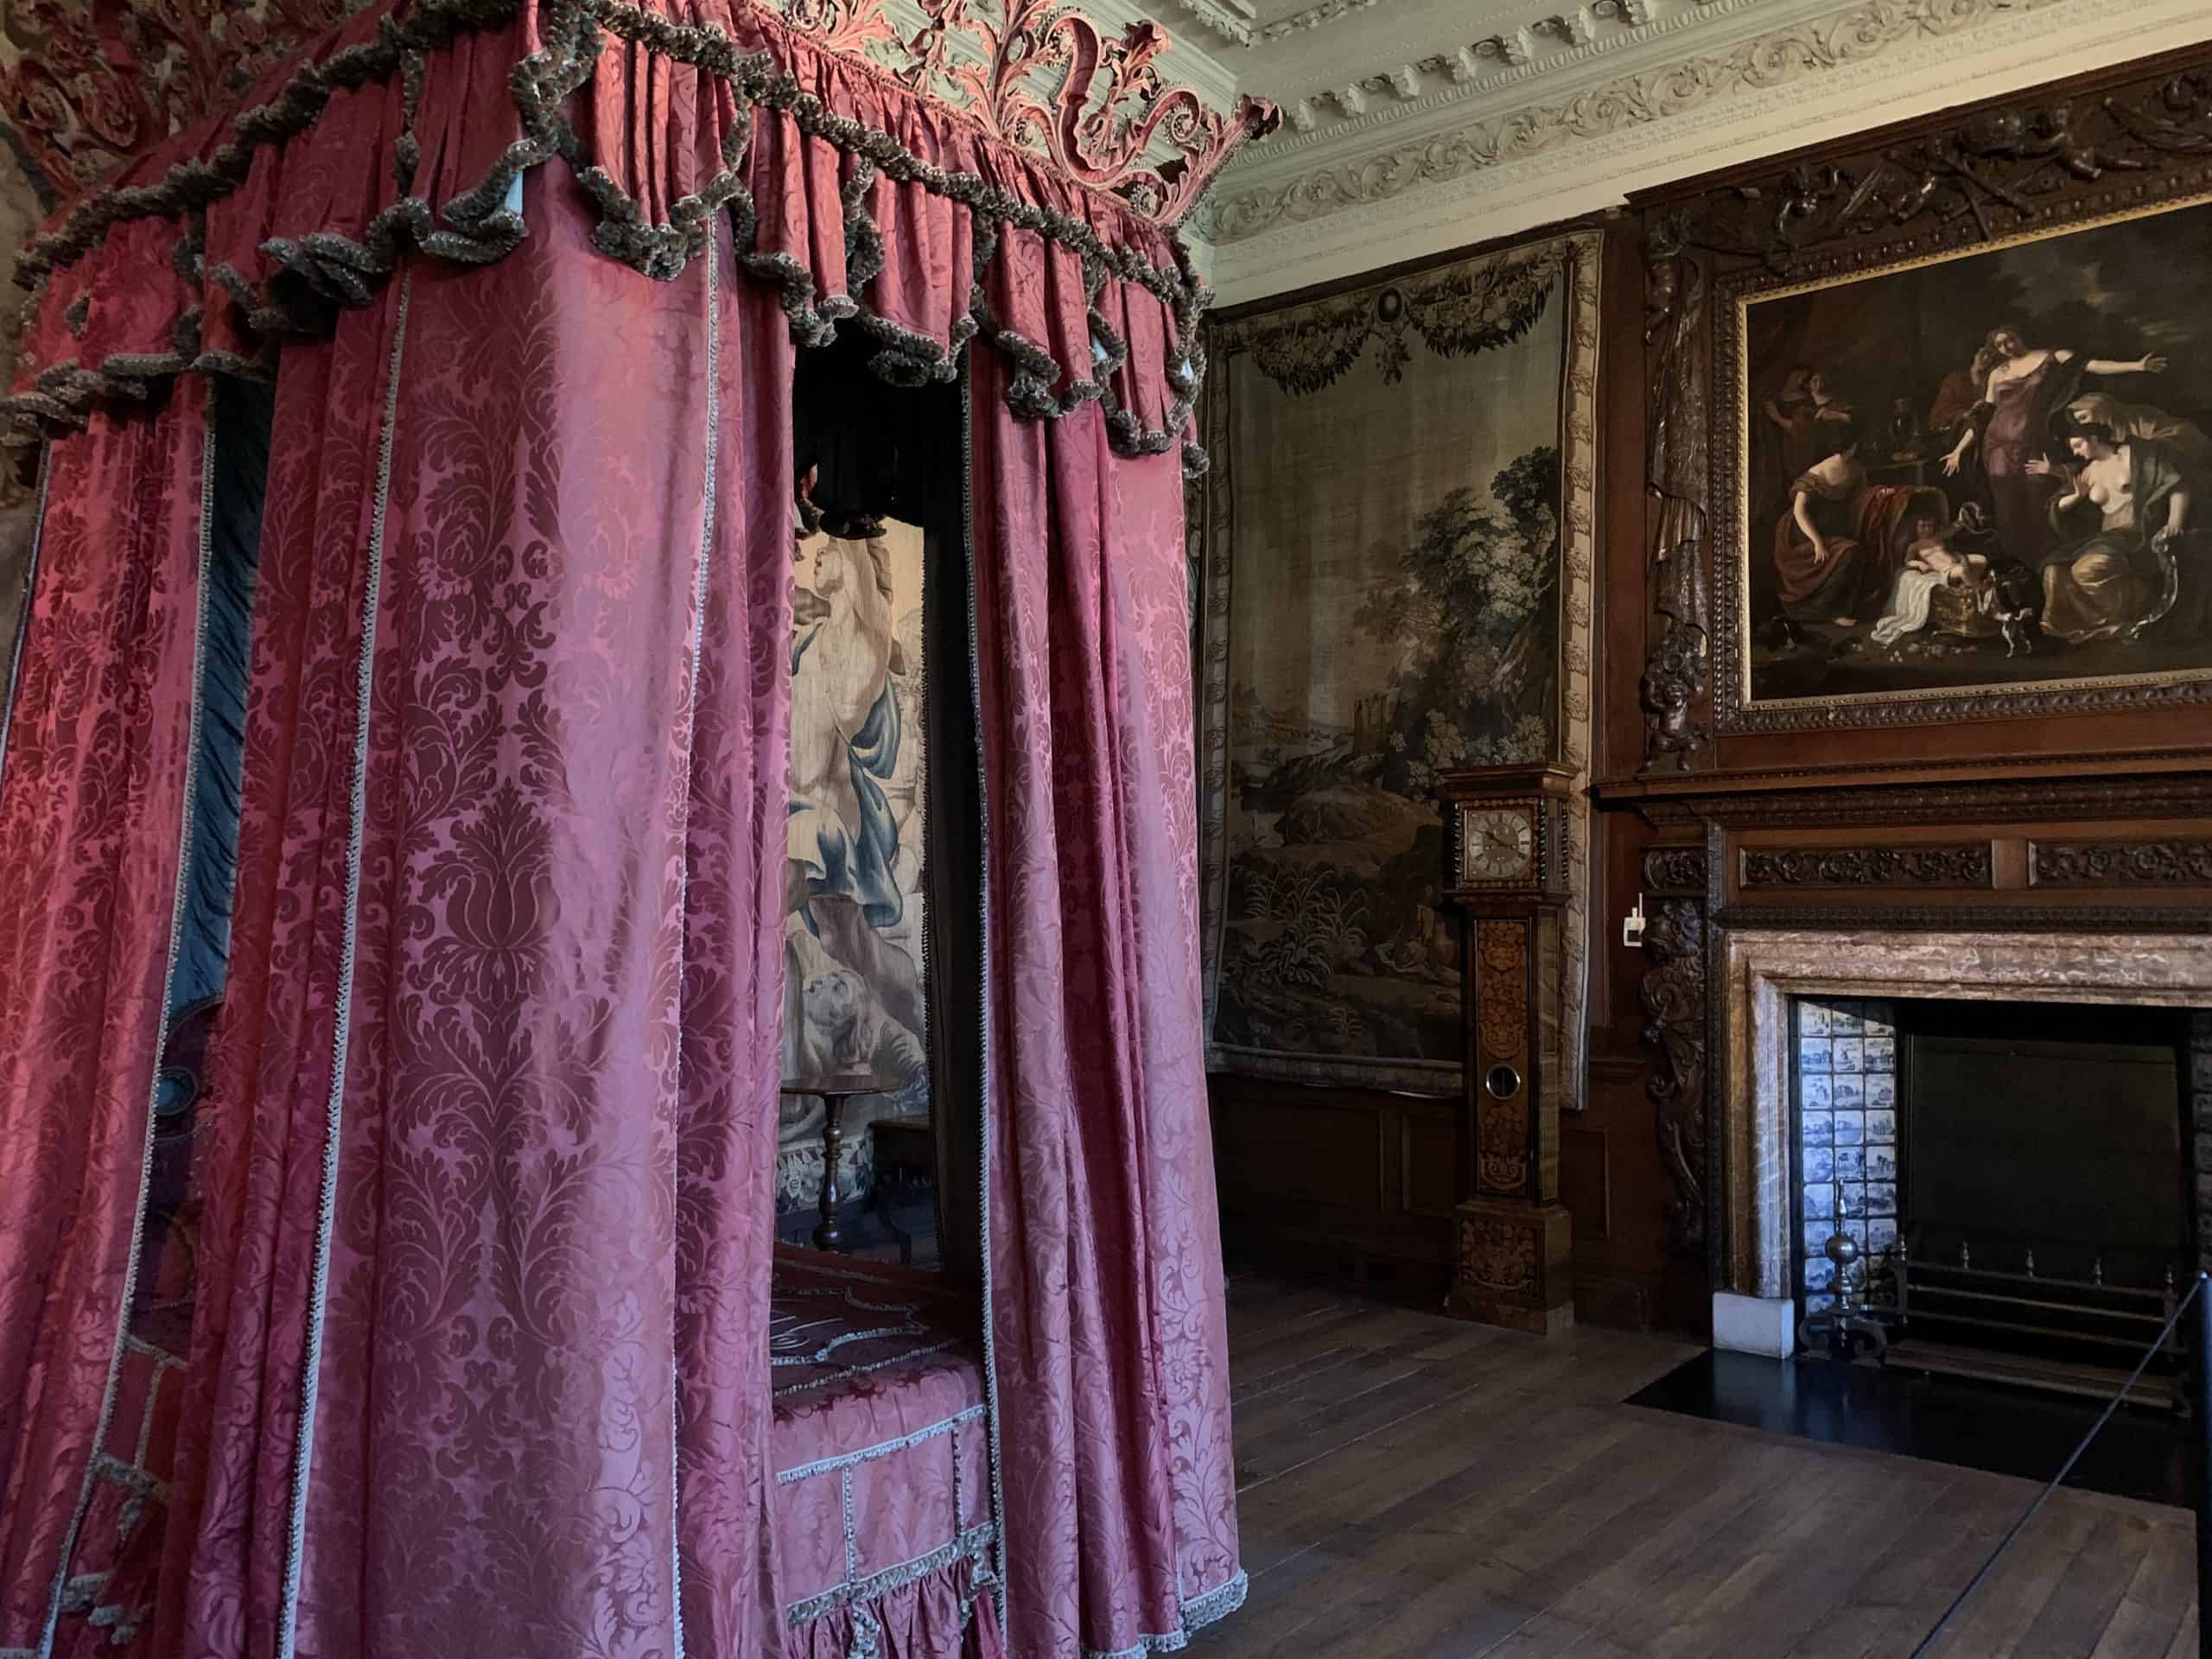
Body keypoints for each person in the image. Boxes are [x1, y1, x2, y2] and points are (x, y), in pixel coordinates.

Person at [1941, 326, 2167, 565]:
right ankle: (2019, 573)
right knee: (2008, 512)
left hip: (2035, 445)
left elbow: (2092, 365)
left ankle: (2048, 568)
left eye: (2010, 339)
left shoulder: (2052, 357)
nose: (2007, 346)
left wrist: (2136, 366)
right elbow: (1983, 416)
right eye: (2000, 344)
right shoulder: (1998, 373)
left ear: (2019, 335)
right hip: (1997, 448)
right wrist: (1959, 449)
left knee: (2042, 504)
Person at [2024, 419, 2199, 640]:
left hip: (2137, 534)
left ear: (2094, 440)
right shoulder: (2089, 471)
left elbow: (2177, 485)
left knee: (2086, 570)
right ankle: (2097, 625)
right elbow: (2056, 506)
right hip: (2108, 537)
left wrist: (2175, 521)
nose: (2077, 452)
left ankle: (2133, 610)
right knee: (2055, 572)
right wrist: (2077, 497)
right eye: (2073, 449)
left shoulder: (2137, 456)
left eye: (2078, 445)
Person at [1773, 420, 1876, 626]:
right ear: (1854, 445)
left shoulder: (1855, 468)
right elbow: (1800, 512)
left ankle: (1841, 607)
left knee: (1858, 549)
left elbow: (1862, 495)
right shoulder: (1817, 473)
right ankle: (1828, 611)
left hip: (1830, 526)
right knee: (1849, 552)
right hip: (1801, 532)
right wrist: (1817, 541)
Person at [1869, 511, 1990, 645]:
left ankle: (1969, 582)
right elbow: (1907, 561)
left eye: (1929, 526)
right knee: (1962, 571)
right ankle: (1979, 588)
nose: (1926, 529)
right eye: (1923, 526)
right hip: (1946, 571)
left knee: (1982, 560)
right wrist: (1919, 563)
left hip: (1956, 560)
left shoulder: (1937, 537)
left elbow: (1953, 530)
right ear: (1916, 527)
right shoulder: (1914, 546)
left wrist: (1961, 520)